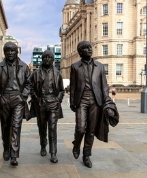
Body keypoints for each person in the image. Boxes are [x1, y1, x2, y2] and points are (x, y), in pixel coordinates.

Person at [70, 40, 110, 168]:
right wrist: (72, 102)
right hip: (81, 100)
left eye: (90, 47)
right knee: (81, 128)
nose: (90, 49)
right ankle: (76, 144)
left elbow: (104, 86)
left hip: (95, 101)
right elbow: (73, 87)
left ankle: (86, 155)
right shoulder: (75, 66)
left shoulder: (100, 66)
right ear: (81, 52)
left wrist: (107, 101)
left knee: (91, 130)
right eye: (86, 48)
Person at [0, 41, 31, 166]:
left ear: (17, 52)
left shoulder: (24, 67)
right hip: (4, 99)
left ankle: (14, 154)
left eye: (12, 50)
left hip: (18, 99)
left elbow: (29, 84)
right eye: (7, 50)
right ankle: (6, 149)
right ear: (4, 52)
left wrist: (23, 96)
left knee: (16, 126)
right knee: (5, 126)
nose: (10, 53)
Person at [29, 50, 65, 163]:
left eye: (49, 57)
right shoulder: (35, 73)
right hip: (41, 103)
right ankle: (43, 145)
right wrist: (36, 98)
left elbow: (61, 90)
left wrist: (58, 100)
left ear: (53, 59)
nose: (47, 59)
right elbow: (30, 87)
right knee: (42, 127)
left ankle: (53, 152)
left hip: (53, 103)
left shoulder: (58, 73)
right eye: (45, 57)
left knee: (52, 128)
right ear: (42, 59)